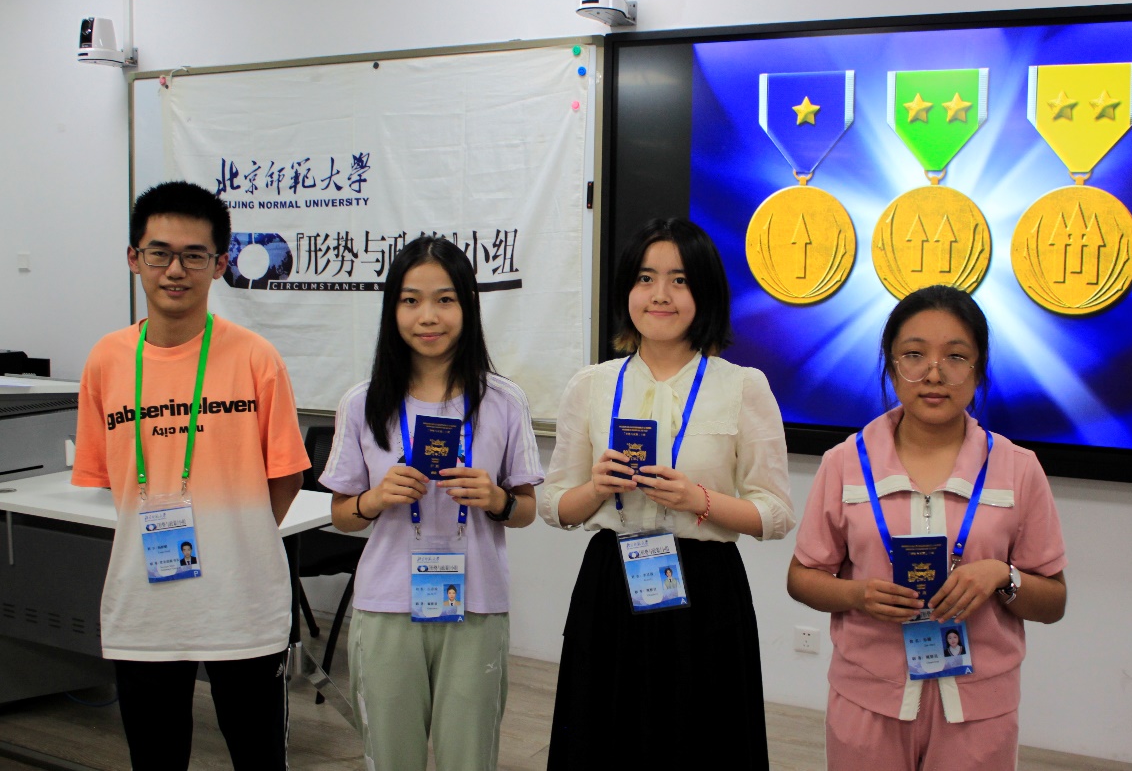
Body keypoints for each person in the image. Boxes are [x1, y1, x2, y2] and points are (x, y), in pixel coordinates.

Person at [540, 217, 795, 770]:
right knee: (606, 740)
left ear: (705, 293)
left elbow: (775, 514)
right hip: (611, 582)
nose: (660, 295)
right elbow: (554, 505)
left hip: (705, 588)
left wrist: (700, 500)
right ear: (626, 290)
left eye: (679, 280)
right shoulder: (591, 384)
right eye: (645, 278)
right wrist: (595, 488)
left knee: (698, 743)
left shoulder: (743, 386)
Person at [71, 181, 309, 770]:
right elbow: (113, 481)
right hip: (145, 610)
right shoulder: (105, 360)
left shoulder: (256, 358)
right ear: (134, 259)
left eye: (194, 255)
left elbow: (285, 477)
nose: (175, 270)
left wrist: (236, 541)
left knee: (259, 758)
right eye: (160, 253)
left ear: (220, 265)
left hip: (243, 607)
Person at [787, 284, 1067, 771]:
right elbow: (801, 577)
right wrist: (857, 595)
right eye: (914, 355)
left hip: (979, 707)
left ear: (978, 368)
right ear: (892, 365)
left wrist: (1001, 576)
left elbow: (1054, 601)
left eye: (955, 357)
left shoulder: (1018, 468)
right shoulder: (844, 462)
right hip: (868, 696)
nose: (934, 374)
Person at [320, 235, 543, 771]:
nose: (428, 316)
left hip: (476, 604)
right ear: (392, 309)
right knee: (390, 756)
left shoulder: (503, 400)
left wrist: (495, 498)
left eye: (445, 299)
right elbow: (342, 516)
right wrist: (376, 498)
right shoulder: (362, 402)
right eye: (410, 300)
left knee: (469, 757)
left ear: (468, 306)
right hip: (386, 603)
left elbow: (527, 510)